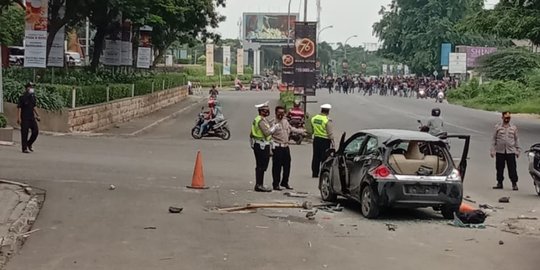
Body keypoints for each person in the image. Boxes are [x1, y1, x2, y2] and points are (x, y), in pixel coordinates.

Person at [271, 106, 304, 191]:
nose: (281, 115)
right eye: (279, 113)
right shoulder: (272, 122)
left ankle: (285, 182)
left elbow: (291, 129)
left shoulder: (285, 121)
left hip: (286, 146)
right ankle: (276, 184)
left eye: (282, 113)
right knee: (277, 167)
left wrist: (301, 131)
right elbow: (268, 134)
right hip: (277, 146)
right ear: (275, 113)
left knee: (287, 166)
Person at [250, 102, 279, 192]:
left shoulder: (261, 119)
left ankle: (260, 184)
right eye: (265, 111)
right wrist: (275, 127)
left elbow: (251, 134)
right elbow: (267, 132)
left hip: (260, 144)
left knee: (261, 166)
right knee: (261, 166)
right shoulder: (261, 121)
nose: (267, 112)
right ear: (261, 111)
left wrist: (272, 122)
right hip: (261, 145)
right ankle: (259, 185)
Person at [490, 112, 521, 190]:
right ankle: (499, 183)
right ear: (502, 118)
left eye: (509, 118)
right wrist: (492, 150)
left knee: (512, 168)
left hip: (510, 151)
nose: (507, 119)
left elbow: (516, 139)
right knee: (499, 168)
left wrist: (518, 150)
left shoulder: (513, 128)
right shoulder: (497, 127)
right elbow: (494, 139)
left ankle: (514, 183)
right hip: (500, 151)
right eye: (505, 118)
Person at [311, 104, 335, 178]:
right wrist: (332, 141)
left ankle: (315, 173)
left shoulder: (314, 118)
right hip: (325, 140)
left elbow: (312, 129)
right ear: (328, 111)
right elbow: (329, 132)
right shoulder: (327, 120)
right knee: (324, 157)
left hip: (316, 139)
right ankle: (322, 172)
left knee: (316, 156)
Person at [17, 82, 40, 154]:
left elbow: (34, 106)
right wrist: (18, 118)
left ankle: (29, 144)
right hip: (24, 118)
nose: (32, 89)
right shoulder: (22, 97)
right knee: (24, 133)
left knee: (36, 131)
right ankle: (24, 148)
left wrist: (38, 115)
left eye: (33, 87)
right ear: (27, 88)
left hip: (31, 118)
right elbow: (19, 108)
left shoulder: (33, 97)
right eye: (31, 87)